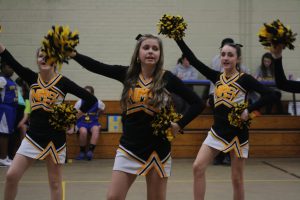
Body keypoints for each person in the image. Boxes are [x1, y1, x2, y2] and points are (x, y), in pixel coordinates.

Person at [70, 34, 205, 200]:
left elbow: (198, 103)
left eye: (155, 49)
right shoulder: (127, 74)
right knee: (113, 197)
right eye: (146, 48)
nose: (150, 52)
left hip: (158, 149)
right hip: (129, 147)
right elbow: (98, 67)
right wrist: (74, 55)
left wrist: (179, 124)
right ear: (138, 53)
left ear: (160, 55)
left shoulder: (167, 78)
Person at [173, 37, 278, 200]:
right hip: (217, 132)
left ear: (238, 59)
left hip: (238, 134)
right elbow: (193, 60)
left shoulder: (245, 79)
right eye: (223, 54)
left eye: (230, 55)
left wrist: (248, 110)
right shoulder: (216, 76)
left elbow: (272, 94)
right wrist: (177, 38)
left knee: (237, 180)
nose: (226, 58)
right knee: (197, 167)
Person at [0, 43, 97, 200]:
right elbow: (10, 60)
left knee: (55, 184)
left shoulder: (63, 82)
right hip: (33, 137)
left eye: (47, 55)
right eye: (40, 56)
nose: (43, 58)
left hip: (55, 140)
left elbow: (91, 99)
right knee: (11, 175)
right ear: (37, 61)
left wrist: (73, 116)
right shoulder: (31, 77)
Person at [74, 85, 105, 161]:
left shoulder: (98, 102)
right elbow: (74, 114)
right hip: (82, 122)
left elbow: (103, 110)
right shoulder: (79, 102)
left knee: (96, 129)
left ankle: (90, 151)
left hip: (93, 122)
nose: (87, 94)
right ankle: (82, 152)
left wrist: (97, 115)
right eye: (85, 93)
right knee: (83, 132)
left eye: (89, 93)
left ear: (92, 94)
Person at [0, 59, 18, 166]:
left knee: (7, 134)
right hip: (4, 109)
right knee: (3, 133)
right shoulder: (1, 79)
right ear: (2, 68)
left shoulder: (9, 80)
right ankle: (2, 158)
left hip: (11, 109)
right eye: (9, 67)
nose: (12, 69)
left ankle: (5, 157)